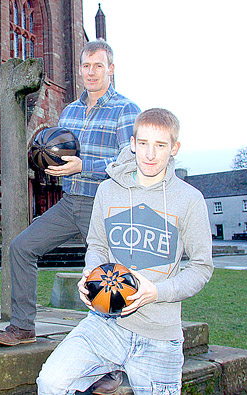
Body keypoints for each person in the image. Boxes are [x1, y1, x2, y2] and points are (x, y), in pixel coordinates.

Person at [36, 108, 214, 395]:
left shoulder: (189, 200)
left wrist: (158, 292)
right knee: (52, 382)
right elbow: (97, 245)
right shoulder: (108, 190)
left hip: (159, 334)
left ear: (174, 148)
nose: (150, 154)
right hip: (106, 325)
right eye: (143, 144)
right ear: (132, 143)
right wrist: (91, 274)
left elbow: (202, 267)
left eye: (160, 145)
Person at [0, 39, 140, 347]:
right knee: (21, 247)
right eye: (86, 66)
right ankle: (22, 327)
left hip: (104, 204)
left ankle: (116, 355)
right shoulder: (69, 111)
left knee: (109, 277)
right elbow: (60, 153)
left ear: (111, 69)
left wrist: (84, 166)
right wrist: (43, 160)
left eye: (99, 66)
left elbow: (131, 162)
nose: (92, 73)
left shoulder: (126, 110)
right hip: (69, 202)